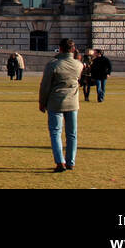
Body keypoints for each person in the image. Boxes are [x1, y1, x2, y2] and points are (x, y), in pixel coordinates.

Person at [38, 37, 82, 172]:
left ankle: (60, 162)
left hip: (55, 102)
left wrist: (42, 102)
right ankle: (71, 162)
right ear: (73, 49)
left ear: (60, 48)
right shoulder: (78, 65)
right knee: (72, 134)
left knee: (56, 132)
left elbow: (45, 86)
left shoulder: (53, 64)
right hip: (73, 103)